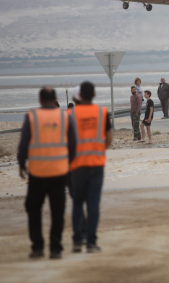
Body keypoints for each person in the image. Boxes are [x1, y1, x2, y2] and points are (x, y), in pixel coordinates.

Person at [17, 87, 76, 260]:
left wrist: (21, 164)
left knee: (33, 208)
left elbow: (24, 143)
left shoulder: (32, 117)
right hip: (60, 171)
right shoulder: (65, 117)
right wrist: (70, 165)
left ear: (40, 100)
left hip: (38, 172)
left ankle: (37, 247)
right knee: (57, 211)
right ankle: (56, 248)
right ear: (55, 99)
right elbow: (73, 144)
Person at [68, 81, 112, 254]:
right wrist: (99, 150)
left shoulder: (70, 115)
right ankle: (91, 242)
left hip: (77, 165)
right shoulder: (102, 113)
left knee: (77, 203)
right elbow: (109, 138)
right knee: (93, 203)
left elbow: (67, 140)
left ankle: (77, 241)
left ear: (79, 96)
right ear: (94, 95)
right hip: (96, 163)